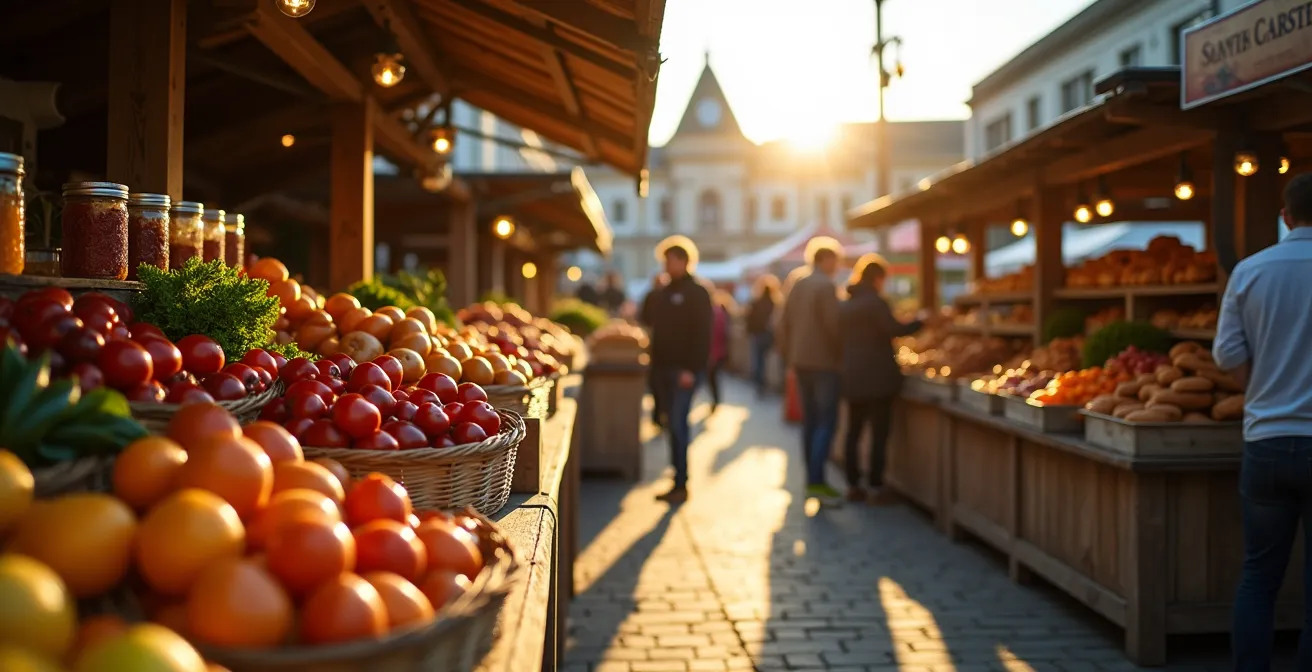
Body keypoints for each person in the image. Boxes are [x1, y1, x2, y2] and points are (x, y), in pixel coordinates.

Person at [1219, 173, 1312, 671]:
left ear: (1285, 216)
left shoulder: (1250, 270)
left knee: (1259, 577)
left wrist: (1261, 389)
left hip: (1267, 440)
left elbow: (1227, 352)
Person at [839, 254, 933, 505]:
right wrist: (921, 321)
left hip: (852, 376)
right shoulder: (875, 303)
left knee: (854, 431)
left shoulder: (846, 304)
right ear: (878, 278)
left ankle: (852, 484)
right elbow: (894, 330)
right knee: (879, 433)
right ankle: (876, 486)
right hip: (878, 378)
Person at [639, 236, 713, 504]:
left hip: (684, 372)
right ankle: (676, 481)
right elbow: (646, 319)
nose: (666, 266)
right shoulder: (664, 291)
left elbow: (703, 335)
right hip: (662, 370)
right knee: (671, 424)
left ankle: (681, 483)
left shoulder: (698, 292)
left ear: (683, 261)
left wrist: (691, 369)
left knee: (680, 425)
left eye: (670, 261)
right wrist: (653, 291)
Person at [777, 236, 844, 502]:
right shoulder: (825, 286)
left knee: (810, 422)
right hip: (824, 364)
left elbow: (783, 324)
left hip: (800, 363)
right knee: (826, 422)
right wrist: (841, 357)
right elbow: (834, 327)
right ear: (826, 260)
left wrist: (789, 358)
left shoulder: (798, 284)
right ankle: (817, 481)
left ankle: (811, 480)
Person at [639, 273, 668, 428]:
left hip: (657, 345)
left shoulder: (653, 295)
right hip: (658, 346)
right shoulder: (660, 295)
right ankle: (660, 414)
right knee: (659, 382)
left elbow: (643, 316)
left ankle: (658, 415)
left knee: (658, 382)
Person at [745, 275, 781, 397]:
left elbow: (748, 318)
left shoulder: (755, 302)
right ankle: (765, 384)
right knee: (767, 361)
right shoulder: (774, 303)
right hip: (768, 335)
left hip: (758, 334)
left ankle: (760, 384)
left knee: (758, 360)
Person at [706, 289, 732, 412]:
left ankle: (715, 399)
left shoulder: (714, 313)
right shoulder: (720, 312)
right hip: (718, 351)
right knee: (713, 378)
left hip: (714, 352)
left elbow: (717, 334)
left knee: (712, 378)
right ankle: (716, 399)